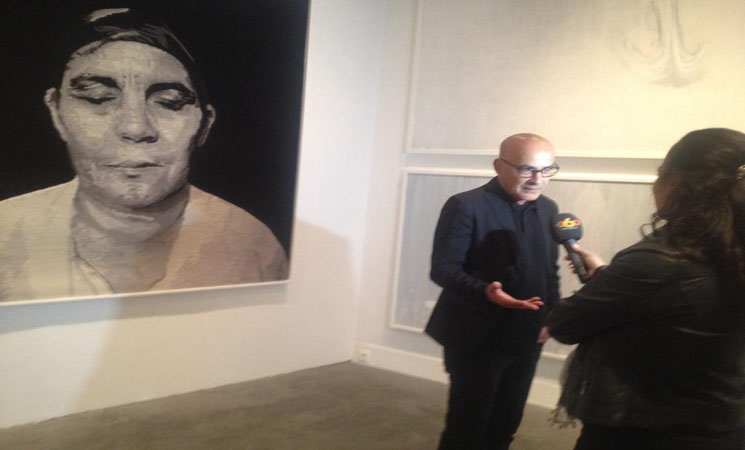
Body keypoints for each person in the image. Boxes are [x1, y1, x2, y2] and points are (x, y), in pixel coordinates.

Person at [0, 8, 288, 302]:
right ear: (56, 112)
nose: (136, 128)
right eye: (98, 98)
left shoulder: (252, 248)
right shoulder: (6, 234)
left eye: (169, 102)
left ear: (204, 125)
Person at [547, 128, 745, 450]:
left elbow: (565, 324)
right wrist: (608, 276)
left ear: (674, 182)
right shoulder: (726, 252)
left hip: (646, 432)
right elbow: (669, 305)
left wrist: (614, 280)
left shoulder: (661, 261)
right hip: (725, 425)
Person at [425, 133, 561, 450]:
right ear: (499, 166)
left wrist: (551, 316)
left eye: (547, 170)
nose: (537, 180)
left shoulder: (549, 209)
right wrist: (485, 291)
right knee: (467, 428)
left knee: (506, 423)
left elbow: (549, 271)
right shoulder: (465, 206)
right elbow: (443, 269)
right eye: (527, 169)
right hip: (477, 338)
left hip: (527, 336)